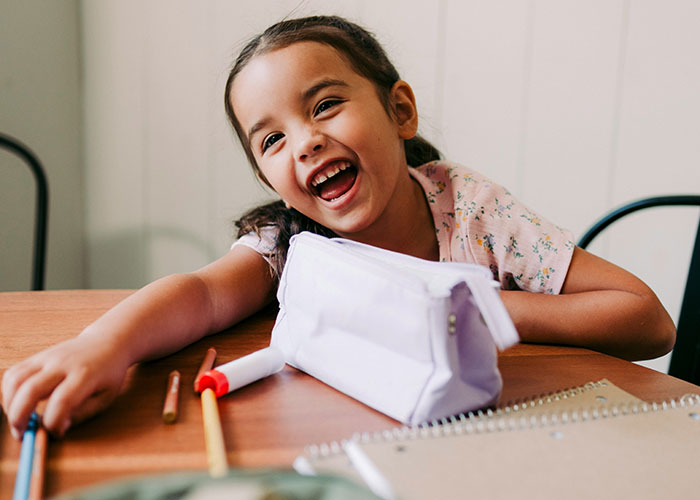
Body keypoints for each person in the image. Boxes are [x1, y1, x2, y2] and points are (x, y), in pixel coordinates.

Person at [2, 15, 675, 440]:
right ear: (269, 181)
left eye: (325, 104)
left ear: (399, 111)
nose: (305, 142)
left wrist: (486, 309)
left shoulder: (473, 213)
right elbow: (202, 295)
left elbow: (648, 321)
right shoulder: (290, 241)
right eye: (271, 141)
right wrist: (102, 349)